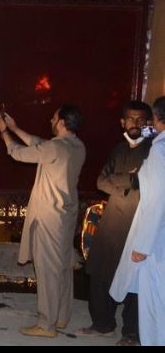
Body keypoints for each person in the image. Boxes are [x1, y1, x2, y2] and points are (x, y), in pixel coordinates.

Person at [0, 104, 86, 338]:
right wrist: (16, 127)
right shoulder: (76, 145)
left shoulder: (56, 147)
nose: (50, 120)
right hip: (66, 214)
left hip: (49, 217)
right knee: (63, 266)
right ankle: (61, 316)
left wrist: (4, 132)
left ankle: (46, 324)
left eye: (54, 118)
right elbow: (39, 144)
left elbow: (17, 152)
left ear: (62, 122)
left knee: (47, 270)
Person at [75, 101, 153, 345]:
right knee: (99, 272)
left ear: (148, 123)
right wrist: (128, 180)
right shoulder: (119, 149)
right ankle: (103, 324)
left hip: (137, 223)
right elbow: (101, 181)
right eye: (130, 119)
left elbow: (145, 182)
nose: (135, 124)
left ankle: (132, 334)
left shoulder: (154, 150)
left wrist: (125, 181)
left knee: (134, 279)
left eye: (141, 120)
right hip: (112, 222)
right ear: (122, 122)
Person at [110, 96, 165, 346]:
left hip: (156, 245)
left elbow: (157, 200)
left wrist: (142, 246)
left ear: (156, 119)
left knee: (155, 307)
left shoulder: (159, 150)